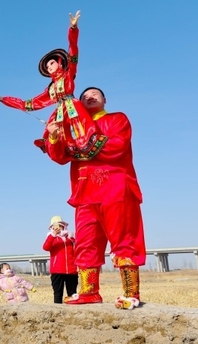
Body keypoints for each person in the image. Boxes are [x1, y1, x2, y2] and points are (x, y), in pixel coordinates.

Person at [44, 86, 145, 309]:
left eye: (95, 95)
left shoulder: (117, 119)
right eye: (84, 97)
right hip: (85, 193)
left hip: (116, 188)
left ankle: (131, 293)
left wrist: (79, 146)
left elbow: (116, 146)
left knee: (124, 239)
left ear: (105, 100)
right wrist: (53, 136)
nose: (89, 97)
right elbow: (59, 156)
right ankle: (90, 292)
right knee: (86, 242)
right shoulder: (71, 129)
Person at [0, 11, 107, 160]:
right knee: (55, 133)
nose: (49, 67)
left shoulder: (68, 74)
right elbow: (29, 104)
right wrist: (3, 99)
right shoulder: (51, 89)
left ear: (59, 62)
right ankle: (58, 146)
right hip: (60, 112)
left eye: (51, 63)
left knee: (82, 132)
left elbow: (73, 50)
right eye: (47, 66)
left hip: (74, 109)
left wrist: (73, 29)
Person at [42, 216, 78, 304]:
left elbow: (77, 251)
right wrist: (53, 235)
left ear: (64, 226)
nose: (58, 228)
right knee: (58, 294)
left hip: (71, 270)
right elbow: (46, 247)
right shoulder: (51, 237)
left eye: (60, 226)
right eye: (55, 226)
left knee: (72, 294)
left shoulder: (70, 238)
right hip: (57, 271)